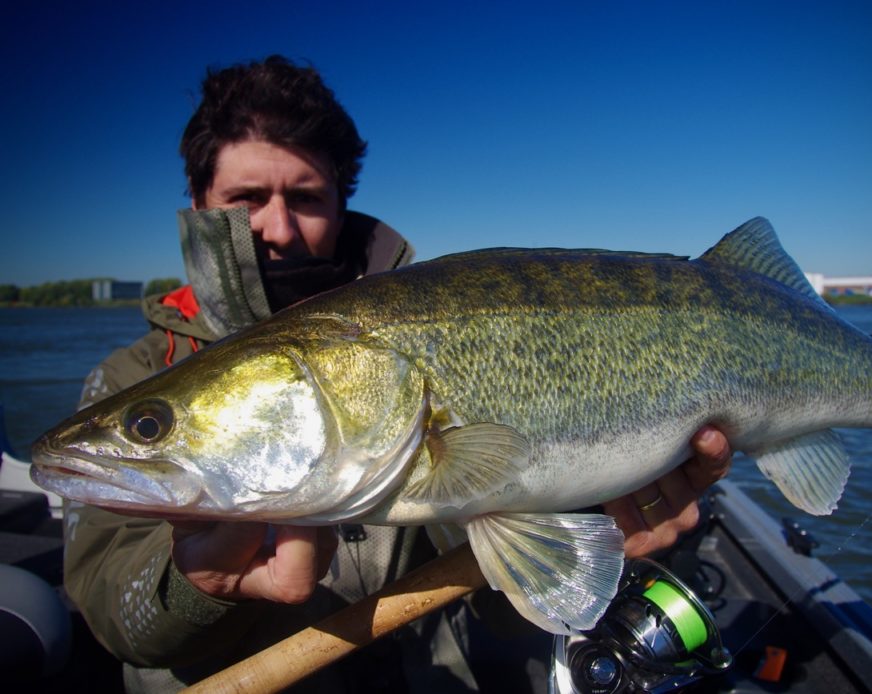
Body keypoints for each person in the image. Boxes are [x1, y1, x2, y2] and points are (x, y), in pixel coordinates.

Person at [62, 56, 732, 692]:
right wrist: (194, 586)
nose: (277, 227)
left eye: (306, 196)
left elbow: (508, 604)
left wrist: (610, 518)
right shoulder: (134, 376)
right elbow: (112, 613)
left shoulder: (440, 321)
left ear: (340, 200)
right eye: (244, 198)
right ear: (199, 201)